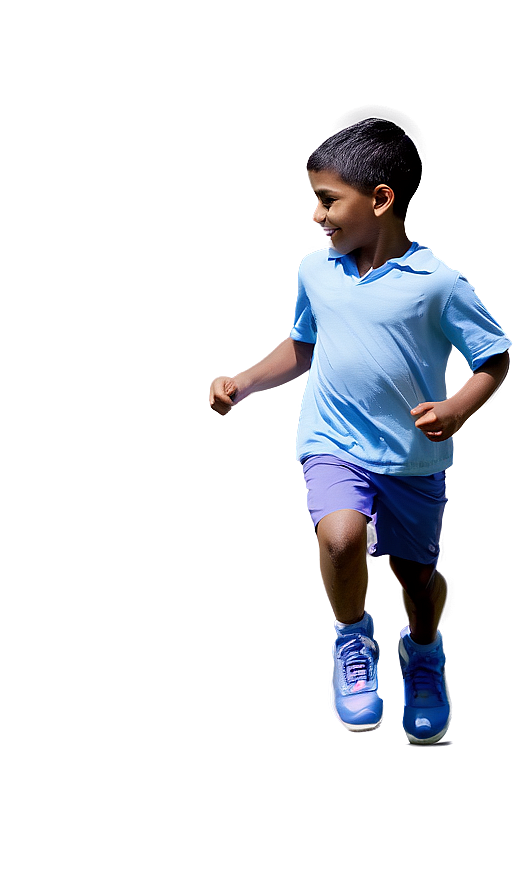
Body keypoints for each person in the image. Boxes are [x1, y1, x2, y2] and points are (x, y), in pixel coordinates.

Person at [208, 119, 511, 744]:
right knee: (342, 541)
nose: (315, 216)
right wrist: (241, 377)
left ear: (380, 199)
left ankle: (424, 654)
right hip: (332, 444)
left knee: (414, 580)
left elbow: (495, 358)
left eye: (326, 200)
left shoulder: (438, 283)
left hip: (413, 461)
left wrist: (457, 410)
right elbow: (300, 347)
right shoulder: (317, 272)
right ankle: (353, 639)